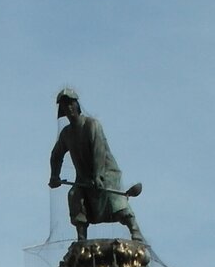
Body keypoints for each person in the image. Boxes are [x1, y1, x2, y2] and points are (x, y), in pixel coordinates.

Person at [48, 87, 144, 241]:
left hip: (106, 172)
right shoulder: (66, 134)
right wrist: (54, 175)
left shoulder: (92, 125)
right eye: (65, 106)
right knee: (75, 195)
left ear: (77, 105)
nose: (69, 108)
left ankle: (134, 228)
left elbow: (98, 150)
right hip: (83, 177)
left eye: (71, 104)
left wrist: (98, 176)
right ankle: (81, 237)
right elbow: (56, 155)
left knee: (113, 199)